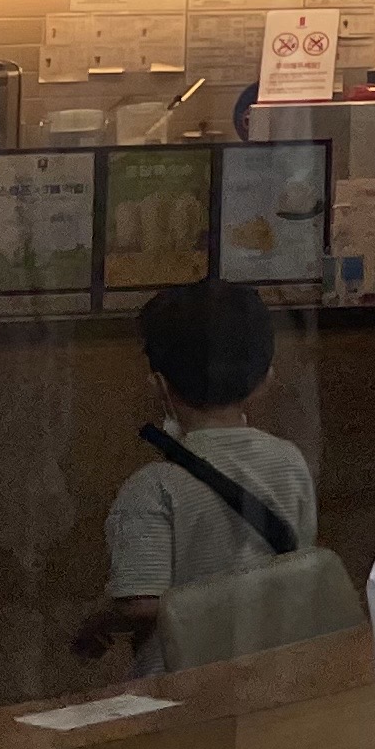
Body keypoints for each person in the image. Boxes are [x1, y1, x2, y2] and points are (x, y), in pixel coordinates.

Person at [72, 279, 314, 663]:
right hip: (273, 666)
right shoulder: (290, 460)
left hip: (183, 680)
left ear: (159, 385)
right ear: (265, 380)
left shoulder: (153, 487)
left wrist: (99, 620)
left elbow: (139, 604)